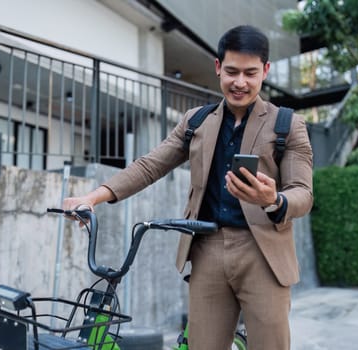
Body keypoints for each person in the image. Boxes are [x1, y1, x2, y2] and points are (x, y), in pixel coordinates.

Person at [63, 25, 313, 350]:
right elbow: (149, 165)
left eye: (250, 73)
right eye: (232, 71)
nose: (240, 82)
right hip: (207, 249)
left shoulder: (287, 125)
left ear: (265, 71)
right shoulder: (195, 121)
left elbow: (302, 193)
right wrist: (92, 197)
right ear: (218, 67)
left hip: (263, 254)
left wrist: (274, 199)